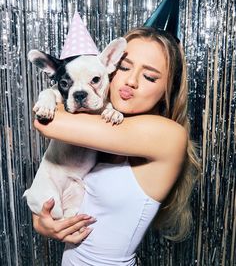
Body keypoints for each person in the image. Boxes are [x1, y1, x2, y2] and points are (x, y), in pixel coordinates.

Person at [32, 27, 201, 265]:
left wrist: (50, 96)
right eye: (124, 67)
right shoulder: (103, 127)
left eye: (150, 77)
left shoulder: (169, 134)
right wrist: (44, 221)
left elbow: (48, 123)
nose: (131, 81)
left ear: (168, 89)